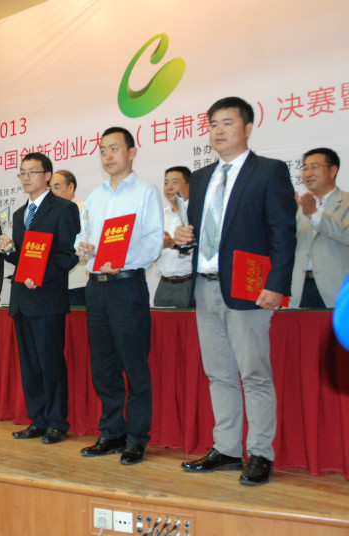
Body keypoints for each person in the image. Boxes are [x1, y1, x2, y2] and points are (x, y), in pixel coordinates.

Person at [175, 97, 296, 486]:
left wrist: (276, 284)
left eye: (227, 122)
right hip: (205, 286)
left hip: (249, 288)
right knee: (219, 374)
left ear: (248, 128)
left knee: (254, 374)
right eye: (213, 124)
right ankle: (227, 448)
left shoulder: (269, 171)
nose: (218, 130)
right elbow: (203, 233)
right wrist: (184, 237)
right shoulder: (201, 177)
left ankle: (260, 453)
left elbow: (283, 232)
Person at [76, 127, 163, 465]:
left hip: (127, 286)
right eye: (102, 150)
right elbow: (83, 237)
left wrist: (121, 260)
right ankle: (111, 432)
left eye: (114, 148)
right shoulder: (94, 197)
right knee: (104, 366)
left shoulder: (145, 192)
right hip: (96, 287)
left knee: (134, 365)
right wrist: (82, 247)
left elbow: (154, 241)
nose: (108, 155)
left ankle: (136, 437)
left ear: (132, 152)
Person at [0, 152, 80, 444]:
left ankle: (57, 422)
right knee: (30, 365)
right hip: (22, 299)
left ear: (47, 175)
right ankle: (39, 419)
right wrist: (9, 251)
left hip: (47, 298)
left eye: (32, 172)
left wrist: (42, 274)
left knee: (50, 363)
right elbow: (24, 257)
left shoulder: (64, 209)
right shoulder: (20, 214)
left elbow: (68, 255)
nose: (26, 177)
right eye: (22, 172)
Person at [290, 148, 349, 308]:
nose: (308, 173)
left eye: (314, 167)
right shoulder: (301, 207)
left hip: (337, 289)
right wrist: (287, 217)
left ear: (333, 171)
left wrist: (314, 214)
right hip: (300, 289)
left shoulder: (346, 202)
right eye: (305, 168)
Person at [154, 166, 194, 307]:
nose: (169, 187)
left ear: (189, 185)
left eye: (175, 182)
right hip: (164, 285)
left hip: (189, 284)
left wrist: (172, 243)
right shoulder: (160, 216)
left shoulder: (195, 214)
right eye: (166, 183)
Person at [50, 170, 88, 306]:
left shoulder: (84, 210)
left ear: (70, 187)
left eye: (57, 187)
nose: (53, 192)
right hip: (54, 283)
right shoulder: (51, 214)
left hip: (77, 284)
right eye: (50, 188)